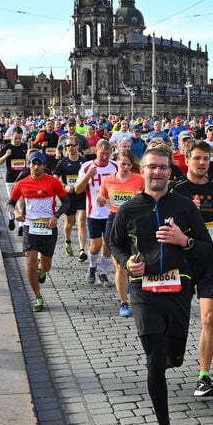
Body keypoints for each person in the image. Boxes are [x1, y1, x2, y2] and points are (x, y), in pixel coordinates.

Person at [108, 145, 213, 425]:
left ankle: (172, 357)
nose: (157, 172)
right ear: (143, 170)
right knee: (155, 359)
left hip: (178, 290)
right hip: (144, 292)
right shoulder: (129, 209)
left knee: (175, 357)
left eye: (162, 168)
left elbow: (207, 249)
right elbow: (115, 243)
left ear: (170, 172)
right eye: (151, 167)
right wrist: (128, 264)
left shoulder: (183, 206)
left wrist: (185, 241)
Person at [170, 140, 213, 398]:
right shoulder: (176, 190)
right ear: (187, 159)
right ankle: (172, 353)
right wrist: (188, 215)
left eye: (206, 159)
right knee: (177, 319)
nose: (202, 163)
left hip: (208, 259)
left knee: (208, 318)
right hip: (181, 261)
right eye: (197, 158)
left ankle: (204, 376)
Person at [9, 151, 70, 311]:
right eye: (32, 164)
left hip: (49, 228)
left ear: (44, 165)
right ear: (28, 165)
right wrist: (15, 212)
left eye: (39, 164)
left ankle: (41, 270)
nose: (35, 167)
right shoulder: (22, 183)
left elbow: (66, 203)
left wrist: (56, 216)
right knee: (29, 262)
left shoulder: (53, 182)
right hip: (30, 227)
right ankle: (37, 296)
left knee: (46, 266)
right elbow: (10, 203)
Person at [96, 149, 145, 317]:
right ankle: (124, 303)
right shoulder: (108, 180)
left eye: (128, 165)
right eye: (122, 163)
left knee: (134, 260)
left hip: (134, 223)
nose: (125, 167)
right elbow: (102, 200)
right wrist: (101, 201)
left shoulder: (139, 180)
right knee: (119, 266)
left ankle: (130, 281)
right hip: (114, 219)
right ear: (116, 162)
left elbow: (148, 199)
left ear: (133, 166)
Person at [73, 139, 118, 285]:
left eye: (107, 154)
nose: (104, 157)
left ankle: (103, 273)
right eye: (102, 153)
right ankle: (92, 266)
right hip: (94, 213)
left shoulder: (115, 167)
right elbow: (78, 190)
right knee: (95, 245)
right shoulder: (87, 167)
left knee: (108, 245)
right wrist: (87, 177)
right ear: (95, 151)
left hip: (112, 212)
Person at [52, 135, 87, 258]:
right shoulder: (63, 162)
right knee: (69, 224)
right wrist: (64, 186)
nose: (70, 148)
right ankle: (67, 241)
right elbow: (55, 178)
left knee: (82, 222)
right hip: (68, 197)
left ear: (77, 146)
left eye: (73, 145)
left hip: (81, 196)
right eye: (68, 146)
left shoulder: (84, 162)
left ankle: (82, 250)